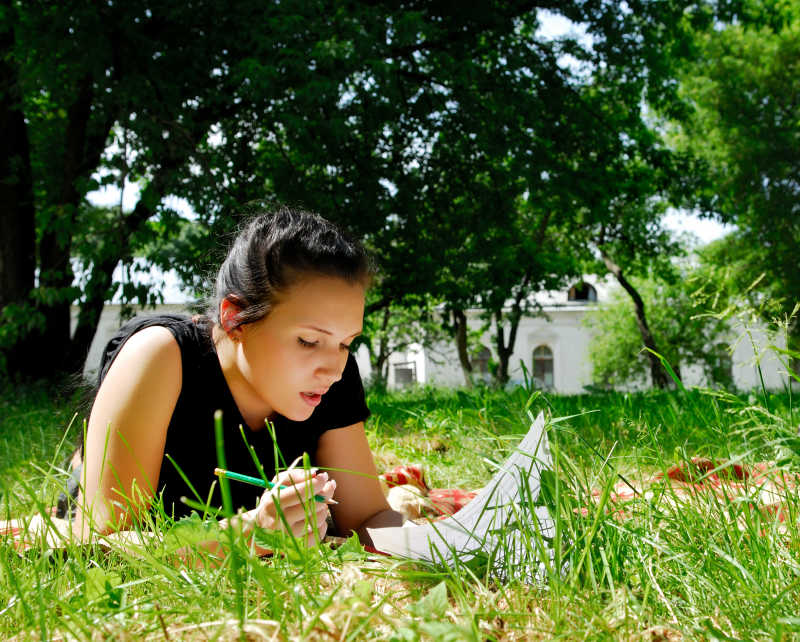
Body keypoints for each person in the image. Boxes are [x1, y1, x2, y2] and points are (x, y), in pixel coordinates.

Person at [61, 205, 403, 552]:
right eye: (308, 341)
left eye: (346, 343)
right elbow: (100, 541)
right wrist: (254, 533)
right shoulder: (160, 355)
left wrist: (440, 542)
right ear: (236, 319)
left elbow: (365, 518)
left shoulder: (334, 376)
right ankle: (80, 460)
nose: (333, 369)